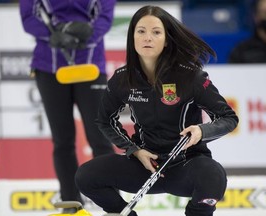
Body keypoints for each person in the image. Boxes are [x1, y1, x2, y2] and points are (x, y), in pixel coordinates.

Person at [75, 5, 239, 216]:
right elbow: (105, 120)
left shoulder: (192, 77)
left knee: (214, 177)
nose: (147, 38)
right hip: (144, 166)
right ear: (132, 37)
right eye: (141, 31)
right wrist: (134, 150)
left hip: (186, 166)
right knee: (86, 176)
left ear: (167, 39)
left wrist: (201, 131)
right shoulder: (122, 79)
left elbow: (228, 118)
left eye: (156, 32)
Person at [19, 0, 116, 212]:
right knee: (62, 141)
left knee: (100, 138)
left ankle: (113, 204)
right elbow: (28, 17)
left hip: (90, 66)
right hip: (49, 67)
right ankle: (71, 205)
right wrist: (51, 35)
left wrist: (84, 33)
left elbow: (105, 16)